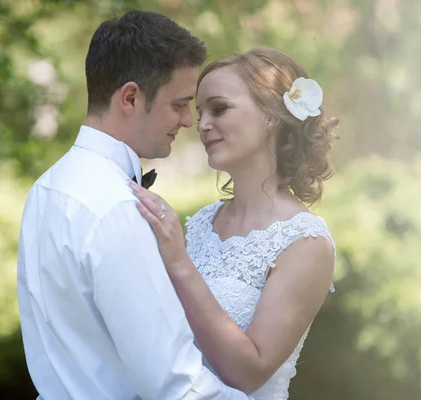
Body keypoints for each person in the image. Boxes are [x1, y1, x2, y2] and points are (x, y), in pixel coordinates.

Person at [17, 10, 254, 400]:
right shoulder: (117, 207)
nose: (187, 121)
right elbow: (174, 383)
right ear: (130, 97)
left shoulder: (47, 189)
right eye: (179, 104)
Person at [131, 47, 339, 399]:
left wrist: (178, 262)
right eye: (200, 113)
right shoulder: (198, 224)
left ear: (273, 116)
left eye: (219, 108)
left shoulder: (306, 243)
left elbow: (249, 373)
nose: (202, 125)